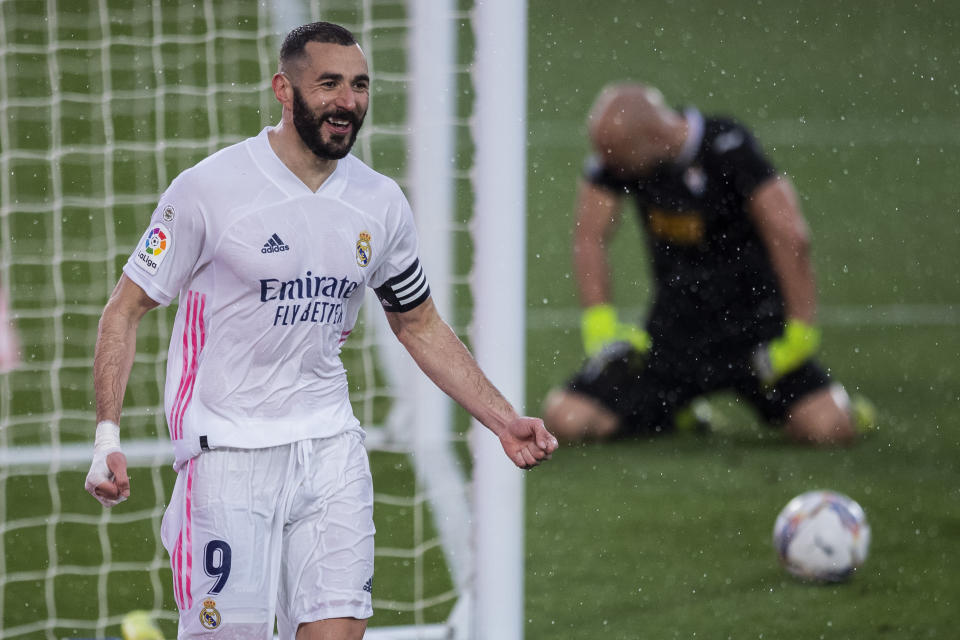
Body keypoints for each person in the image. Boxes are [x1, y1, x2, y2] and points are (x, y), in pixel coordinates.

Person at [84, 22, 557, 640]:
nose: (347, 101)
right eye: (328, 83)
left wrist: (502, 418)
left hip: (331, 446)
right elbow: (124, 308)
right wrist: (106, 436)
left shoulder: (380, 204)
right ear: (284, 89)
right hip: (227, 455)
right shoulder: (209, 190)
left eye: (359, 85)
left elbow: (417, 321)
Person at [543, 82, 872, 445]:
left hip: (756, 337)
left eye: (614, 157)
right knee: (567, 418)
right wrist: (600, 326)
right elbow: (589, 234)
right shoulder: (624, 161)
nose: (606, 165)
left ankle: (844, 409)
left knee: (829, 429)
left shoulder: (727, 147)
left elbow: (790, 235)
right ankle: (673, 413)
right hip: (672, 339)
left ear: (649, 138)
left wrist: (799, 333)